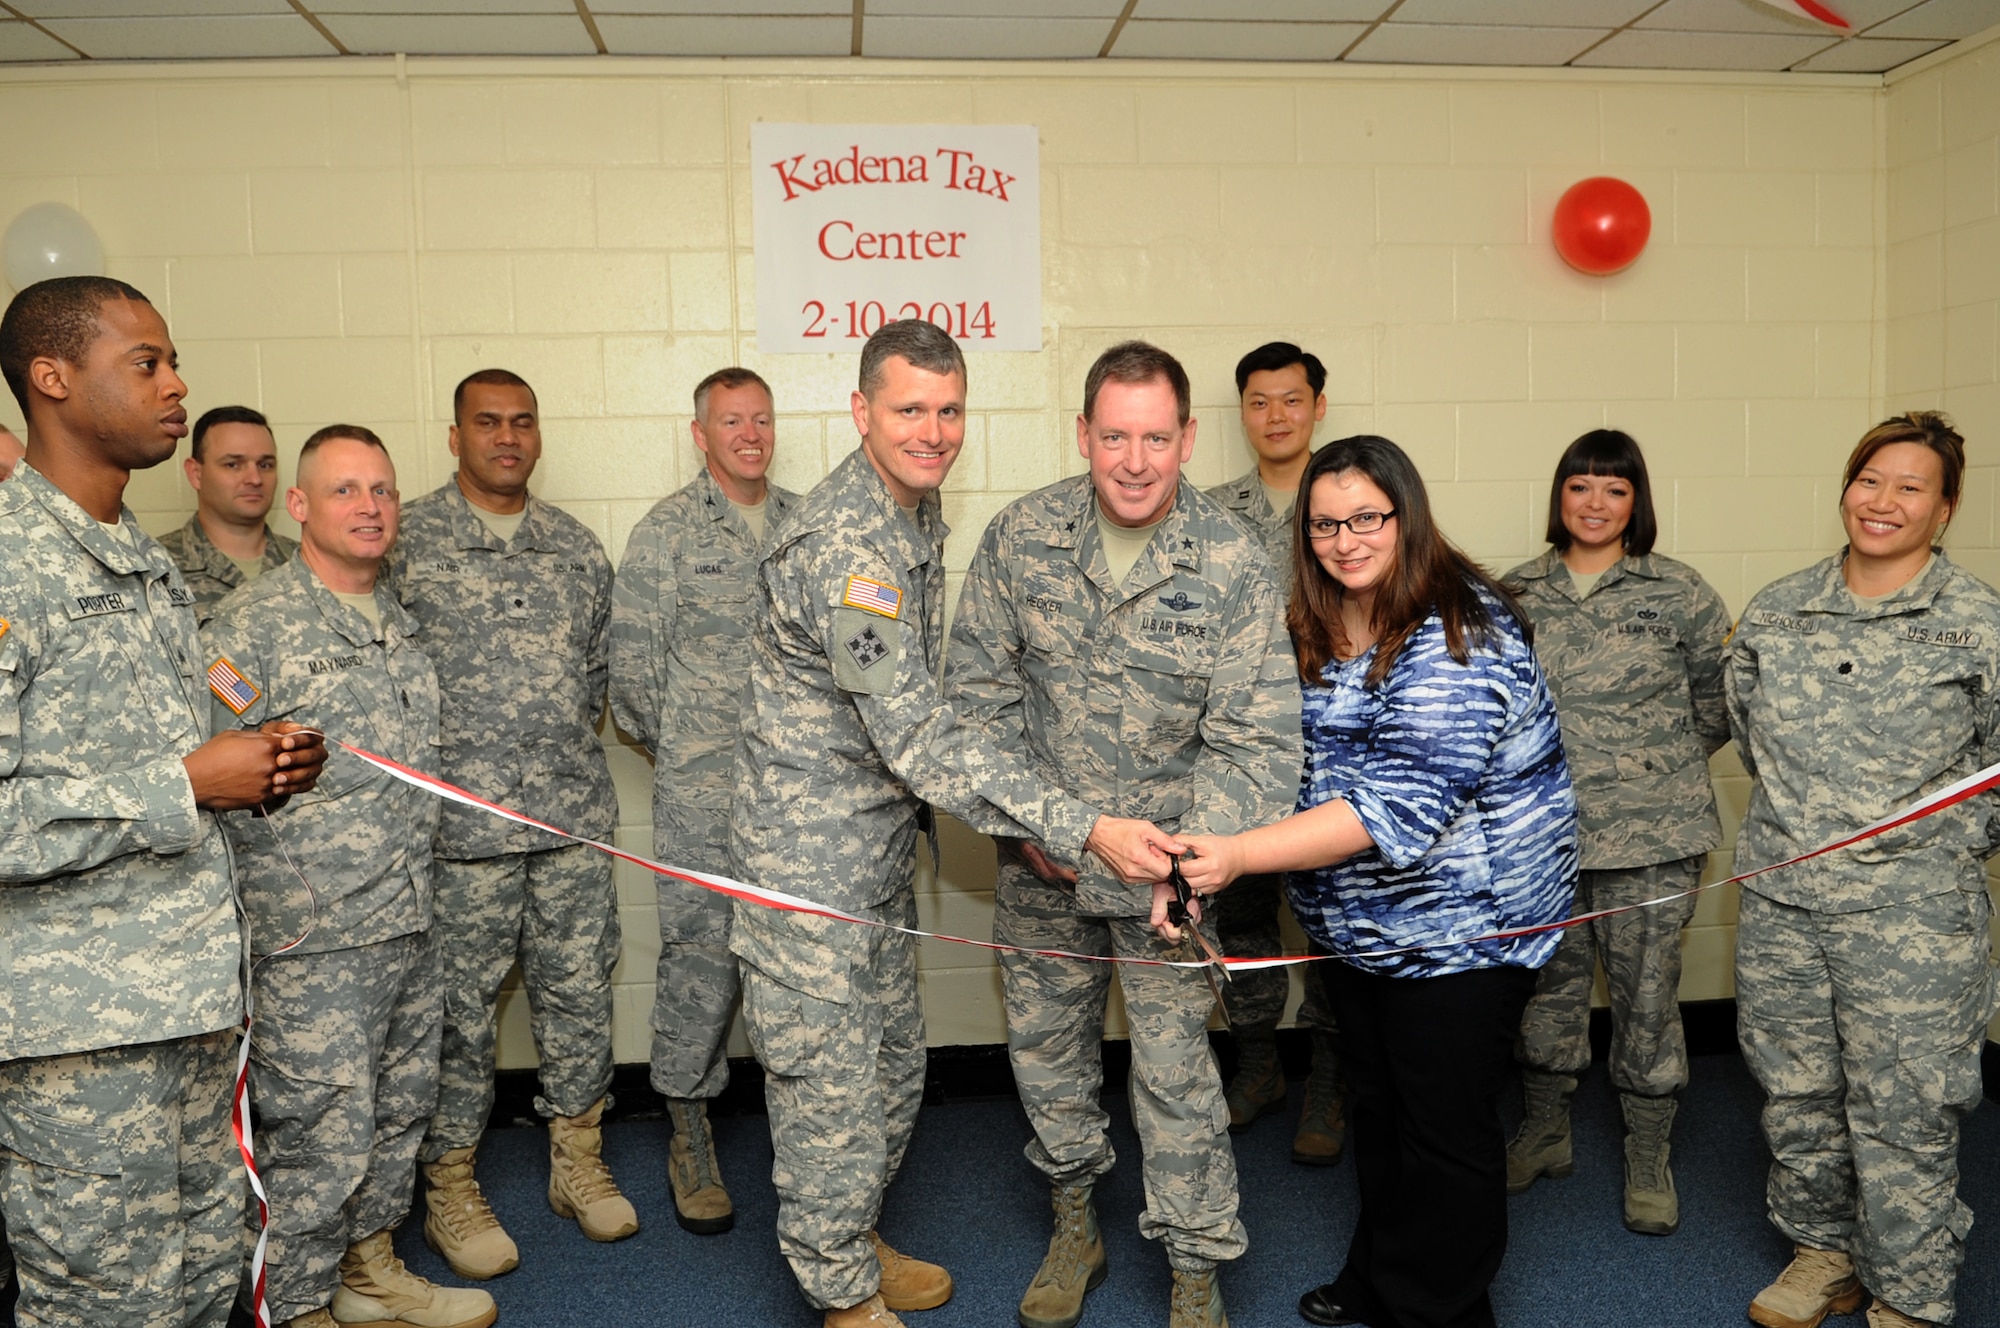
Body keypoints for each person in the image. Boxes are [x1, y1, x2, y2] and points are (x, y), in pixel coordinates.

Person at [729, 318, 1181, 1328]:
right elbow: (920, 739)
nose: (932, 431)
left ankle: (852, 1236)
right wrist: (1078, 822)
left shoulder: (909, 511)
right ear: (859, 412)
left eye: (947, 409)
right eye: (907, 410)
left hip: (873, 857)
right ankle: (839, 1291)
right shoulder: (848, 547)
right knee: (829, 1091)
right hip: (807, 874)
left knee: (888, 1073)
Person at [1178, 435, 1578, 1328]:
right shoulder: (1315, 619)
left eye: (1367, 518)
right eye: (1325, 524)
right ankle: (1382, 1276)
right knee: (1381, 1109)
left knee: (1443, 1130)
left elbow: (1395, 807)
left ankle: (1443, 1309)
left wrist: (1236, 856)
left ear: (1407, 516)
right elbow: (1271, 748)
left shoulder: (1456, 631)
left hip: (1465, 931)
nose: (1345, 540)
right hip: (1361, 928)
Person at [946, 340, 1302, 1328]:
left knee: (1179, 1075)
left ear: (1187, 436)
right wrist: (1036, 830)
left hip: (1167, 886)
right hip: (1040, 870)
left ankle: (1194, 1261)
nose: (1135, 460)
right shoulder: (1021, 538)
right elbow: (972, 710)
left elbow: (1256, 739)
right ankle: (1074, 1219)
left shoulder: (1230, 557)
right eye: (1114, 436)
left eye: (1155, 436)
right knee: (1047, 1061)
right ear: (1083, 435)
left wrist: (1188, 863)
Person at [0, 275, 325, 1328]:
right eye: (147, 363)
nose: (177, 383)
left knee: (197, 1291)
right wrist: (188, 781)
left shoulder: (140, 556)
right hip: (77, 1037)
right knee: (107, 1304)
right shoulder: (12, 559)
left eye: (172, 360)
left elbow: (153, 761)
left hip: (189, 1006)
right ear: (51, 378)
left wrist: (247, 769)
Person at [204, 425, 493, 1328]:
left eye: (382, 490)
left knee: (399, 1111)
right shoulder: (250, 631)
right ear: (299, 506)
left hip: (411, 917)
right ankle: (294, 1306)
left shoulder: (401, 626)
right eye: (344, 491)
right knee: (318, 1134)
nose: (368, 507)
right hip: (313, 938)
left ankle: (367, 1272)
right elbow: (210, 782)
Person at [1727, 411, 1999, 1328]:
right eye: (1869, 479)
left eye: (1909, 487)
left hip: (1911, 920)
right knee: (1796, 1092)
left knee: (1907, 1104)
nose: (1882, 502)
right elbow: (1753, 736)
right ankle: (1823, 1253)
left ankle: (1912, 1291)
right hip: (1783, 905)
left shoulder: (1978, 627)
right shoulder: (1779, 607)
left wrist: (1937, 849)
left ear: (1945, 506)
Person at [391, 370, 631, 1278]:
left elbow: (599, 677)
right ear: (453, 436)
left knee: (579, 1001)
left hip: (568, 825)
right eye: (486, 423)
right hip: (461, 840)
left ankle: (579, 1162)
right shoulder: (407, 540)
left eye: (521, 422)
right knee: (457, 1019)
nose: (506, 437)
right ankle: (451, 1182)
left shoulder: (573, 547)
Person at [1500, 429, 1733, 1237]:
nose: (1595, 504)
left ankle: (1647, 1152)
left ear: (1637, 503)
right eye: (1580, 486)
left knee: (1646, 1003)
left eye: (1615, 489)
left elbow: (1716, 708)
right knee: (1545, 995)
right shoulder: (1515, 592)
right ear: (1558, 496)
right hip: (1543, 842)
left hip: (1651, 839)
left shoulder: (1680, 592)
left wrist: (1644, 772)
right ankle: (1544, 1128)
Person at [609, 366, 798, 1236]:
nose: (750, 434)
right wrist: (699, 752)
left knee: (796, 960)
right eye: (732, 421)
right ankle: (688, 1130)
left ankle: (808, 1146)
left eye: (761, 419)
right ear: (701, 434)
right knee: (700, 963)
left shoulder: (807, 525)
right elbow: (636, 689)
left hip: (800, 800)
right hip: (705, 799)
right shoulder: (667, 535)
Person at [1204, 340, 1345, 1163]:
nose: (1277, 416)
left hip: (1333, 758)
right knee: (1241, 918)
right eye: (1259, 402)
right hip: (1242, 755)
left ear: (1317, 406)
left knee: (1332, 921)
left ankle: (1330, 1079)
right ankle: (1259, 1063)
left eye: (1291, 400)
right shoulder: (1209, 514)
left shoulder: (1352, 501)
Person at [158, 404, 298, 622]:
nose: (255, 479)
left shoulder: (305, 563)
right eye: (233, 464)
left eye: (265, 465)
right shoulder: (157, 569)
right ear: (196, 474)